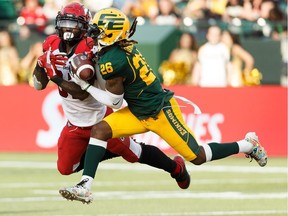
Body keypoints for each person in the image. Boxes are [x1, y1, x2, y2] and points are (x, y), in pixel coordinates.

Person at [60, 7, 268, 204]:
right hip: (137, 110)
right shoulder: (119, 47)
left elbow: (114, 101)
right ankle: (85, 185)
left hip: (159, 112)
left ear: (111, 35)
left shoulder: (113, 60)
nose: (93, 35)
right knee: (100, 130)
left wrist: (85, 85)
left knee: (197, 157)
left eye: (98, 32)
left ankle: (248, 145)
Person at [32, 2, 190, 203]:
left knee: (135, 154)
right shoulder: (51, 44)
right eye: (65, 23)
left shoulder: (89, 47)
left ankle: (176, 168)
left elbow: (82, 93)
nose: (68, 29)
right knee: (64, 168)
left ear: (83, 26)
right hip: (74, 123)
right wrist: (39, 65)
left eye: (73, 24)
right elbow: (38, 85)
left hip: (100, 119)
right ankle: (101, 151)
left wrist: (53, 74)